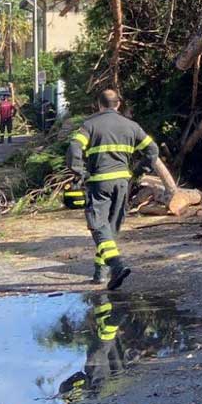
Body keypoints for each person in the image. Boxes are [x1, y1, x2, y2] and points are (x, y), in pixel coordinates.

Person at [67, 89, 169, 289]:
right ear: (118, 104)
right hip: (123, 183)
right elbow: (153, 150)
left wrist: (79, 171)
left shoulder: (90, 125)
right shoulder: (131, 126)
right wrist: (140, 170)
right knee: (111, 228)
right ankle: (100, 273)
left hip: (99, 183)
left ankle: (116, 265)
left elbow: (74, 147)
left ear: (99, 104)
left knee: (97, 225)